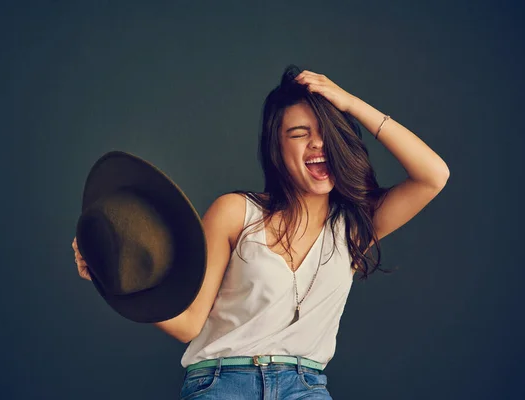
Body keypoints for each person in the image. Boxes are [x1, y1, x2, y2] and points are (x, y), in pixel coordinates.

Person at [72, 65, 449, 399]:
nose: (318, 143)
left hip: (305, 387)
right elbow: (188, 324)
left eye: (327, 134)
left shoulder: (353, 228)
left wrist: (350, 104)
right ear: (277, 150)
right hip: (221, 383)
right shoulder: (236, 212)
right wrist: (110, 280)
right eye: (300, 133)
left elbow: (433, 175)